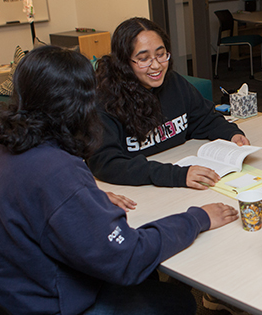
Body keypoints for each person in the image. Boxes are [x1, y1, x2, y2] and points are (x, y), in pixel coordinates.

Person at [0, 46, 240, 315]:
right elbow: (128, 259)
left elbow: (30, 196)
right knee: (180, 305)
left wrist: (84, 197)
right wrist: (197, 218)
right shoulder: (56, 171)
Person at [87, 17, 250, 191]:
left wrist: (232, 134)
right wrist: (174, 175)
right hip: (139, 190)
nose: (156, 65)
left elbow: (205, 119)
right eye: (143, 58)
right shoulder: (104, 101)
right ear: (124, 63)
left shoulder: (174, 83)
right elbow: (105, 163)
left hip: (181, 179)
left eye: (160, 54)